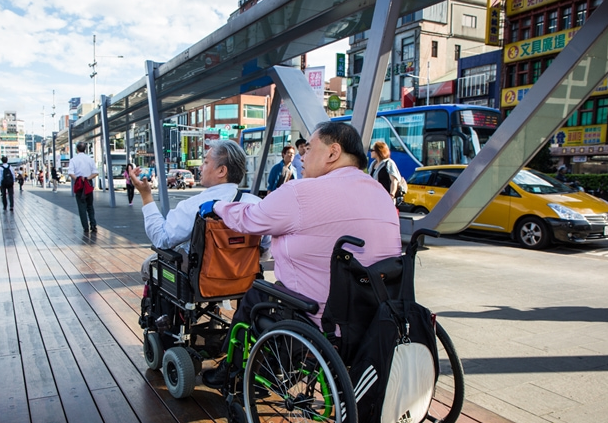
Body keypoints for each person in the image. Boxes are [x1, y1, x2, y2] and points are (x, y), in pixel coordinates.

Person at [200, 122, 402, 387]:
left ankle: (232, 371)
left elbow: (250, 219)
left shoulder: (301, 192)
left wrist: (217, 206)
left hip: (323, 319)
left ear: (333, 153)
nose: (302, 157)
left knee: (256, 293)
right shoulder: (380, 193)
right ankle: (269, 369)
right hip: (375, 314)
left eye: (308, 150)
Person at [128, 139, 269, 279]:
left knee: (149, 265)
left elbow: (161, 239)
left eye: (206, 162)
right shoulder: (257, 205)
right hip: (243, 278)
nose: (200, 168)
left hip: (201, 281)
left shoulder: (194, 206)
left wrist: (146, 195)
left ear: (221, 170)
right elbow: (266, 249)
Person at [69, 142, 99, 232]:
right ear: (85, 149)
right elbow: (96, 173)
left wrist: (78, 179)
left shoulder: (73, 160)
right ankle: (93, 224)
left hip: (79, 184)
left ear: (77, 149)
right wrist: (87, 178)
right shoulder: (90, 159)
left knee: (81, 206)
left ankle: (85, 227)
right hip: (88, 183)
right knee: (90, 205)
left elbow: (70, 173)